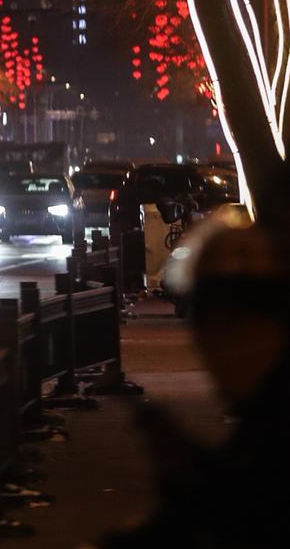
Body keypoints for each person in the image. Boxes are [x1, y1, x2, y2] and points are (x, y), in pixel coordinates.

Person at [95, 177, 290, 548]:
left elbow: (255, 510)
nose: (218, 348)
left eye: (235, 324)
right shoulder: (261, 413)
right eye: (205, 327)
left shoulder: (275, 415)